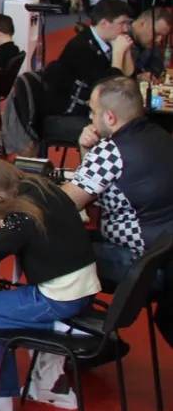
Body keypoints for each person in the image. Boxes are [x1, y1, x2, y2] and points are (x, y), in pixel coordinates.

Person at [0, 153, 99, 411]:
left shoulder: (24, 216)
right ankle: (1, 400)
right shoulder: (42, 187)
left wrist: (2, 226)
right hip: (84, 287)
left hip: (58, 298)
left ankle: (58, 328)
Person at [62, 76, 173, 293]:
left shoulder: (111, 151)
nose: (90, 118)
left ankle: (55, 311)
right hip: (163, 253)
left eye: (93, 112)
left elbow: (64, 203)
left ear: (110, 117)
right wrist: (87, 149)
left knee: (48, 246)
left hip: (141, 262)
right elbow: (97, 180)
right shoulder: (160, 134)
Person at [44, 0, 134, 119]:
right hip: (69, 115)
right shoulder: (81, 47)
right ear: (104, 24)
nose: (126, 29)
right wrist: (118, 53)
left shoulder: (107, 41)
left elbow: (128, 80)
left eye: (127, 24)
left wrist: (126, 51)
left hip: (92, 110)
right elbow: (110, 92)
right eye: (122, 23)